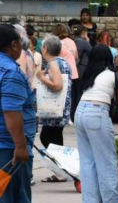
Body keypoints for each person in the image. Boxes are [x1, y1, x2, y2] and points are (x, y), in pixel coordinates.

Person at [75, 45, 118, 202]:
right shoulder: (114, 76)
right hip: (97, 113)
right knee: (107, 160)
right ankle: (112, 200)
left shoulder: (89, 74)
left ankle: (91, 200)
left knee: (87, 161)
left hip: (80, 114)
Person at [0, 24, 35, 203]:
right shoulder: (11, 72)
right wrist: (20, 147)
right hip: (9, 147)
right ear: (14, 44)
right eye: (21, 43)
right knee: (15, 196)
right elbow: (12, 112)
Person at [36, 36, 73, 182]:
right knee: (51, 137)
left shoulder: (53, 64)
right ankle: (61, 170)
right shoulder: (64, 62)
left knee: (50, 139)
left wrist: (41, 77)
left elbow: (57, 85)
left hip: (55, 109)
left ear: (45, 49)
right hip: (60, 108)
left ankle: (61, 171)